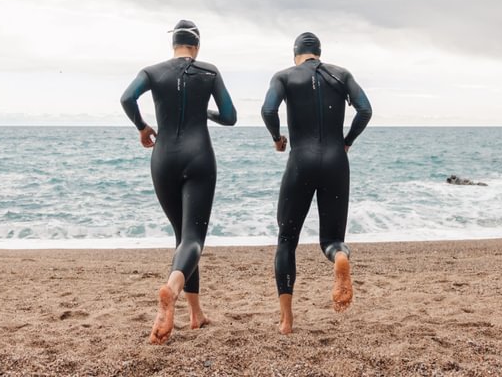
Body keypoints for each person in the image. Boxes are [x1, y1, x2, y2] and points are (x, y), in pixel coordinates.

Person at [120, 20, 237, 345]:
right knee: (193, 238)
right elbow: (230, 116)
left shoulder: (152, 72)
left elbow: (127, 98)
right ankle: (171, 289)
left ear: (174, 44)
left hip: (164, 159)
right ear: (197, 47)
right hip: (199, 158)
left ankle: (196, 314)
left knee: (181, 237)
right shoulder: (209, 72)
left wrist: (143, 127)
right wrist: (205, 112)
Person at [260, 31, 372, 334]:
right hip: (337, 161)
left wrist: (277, 138)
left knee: (286, 240)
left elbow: (269, 110)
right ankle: (339, 256)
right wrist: (346, 142)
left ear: (296, 54)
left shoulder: (284, 76)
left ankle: (286, 319)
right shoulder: (341, 74)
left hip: (301, 161)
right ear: (319, 53)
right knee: (332, 238)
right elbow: (365, 109)